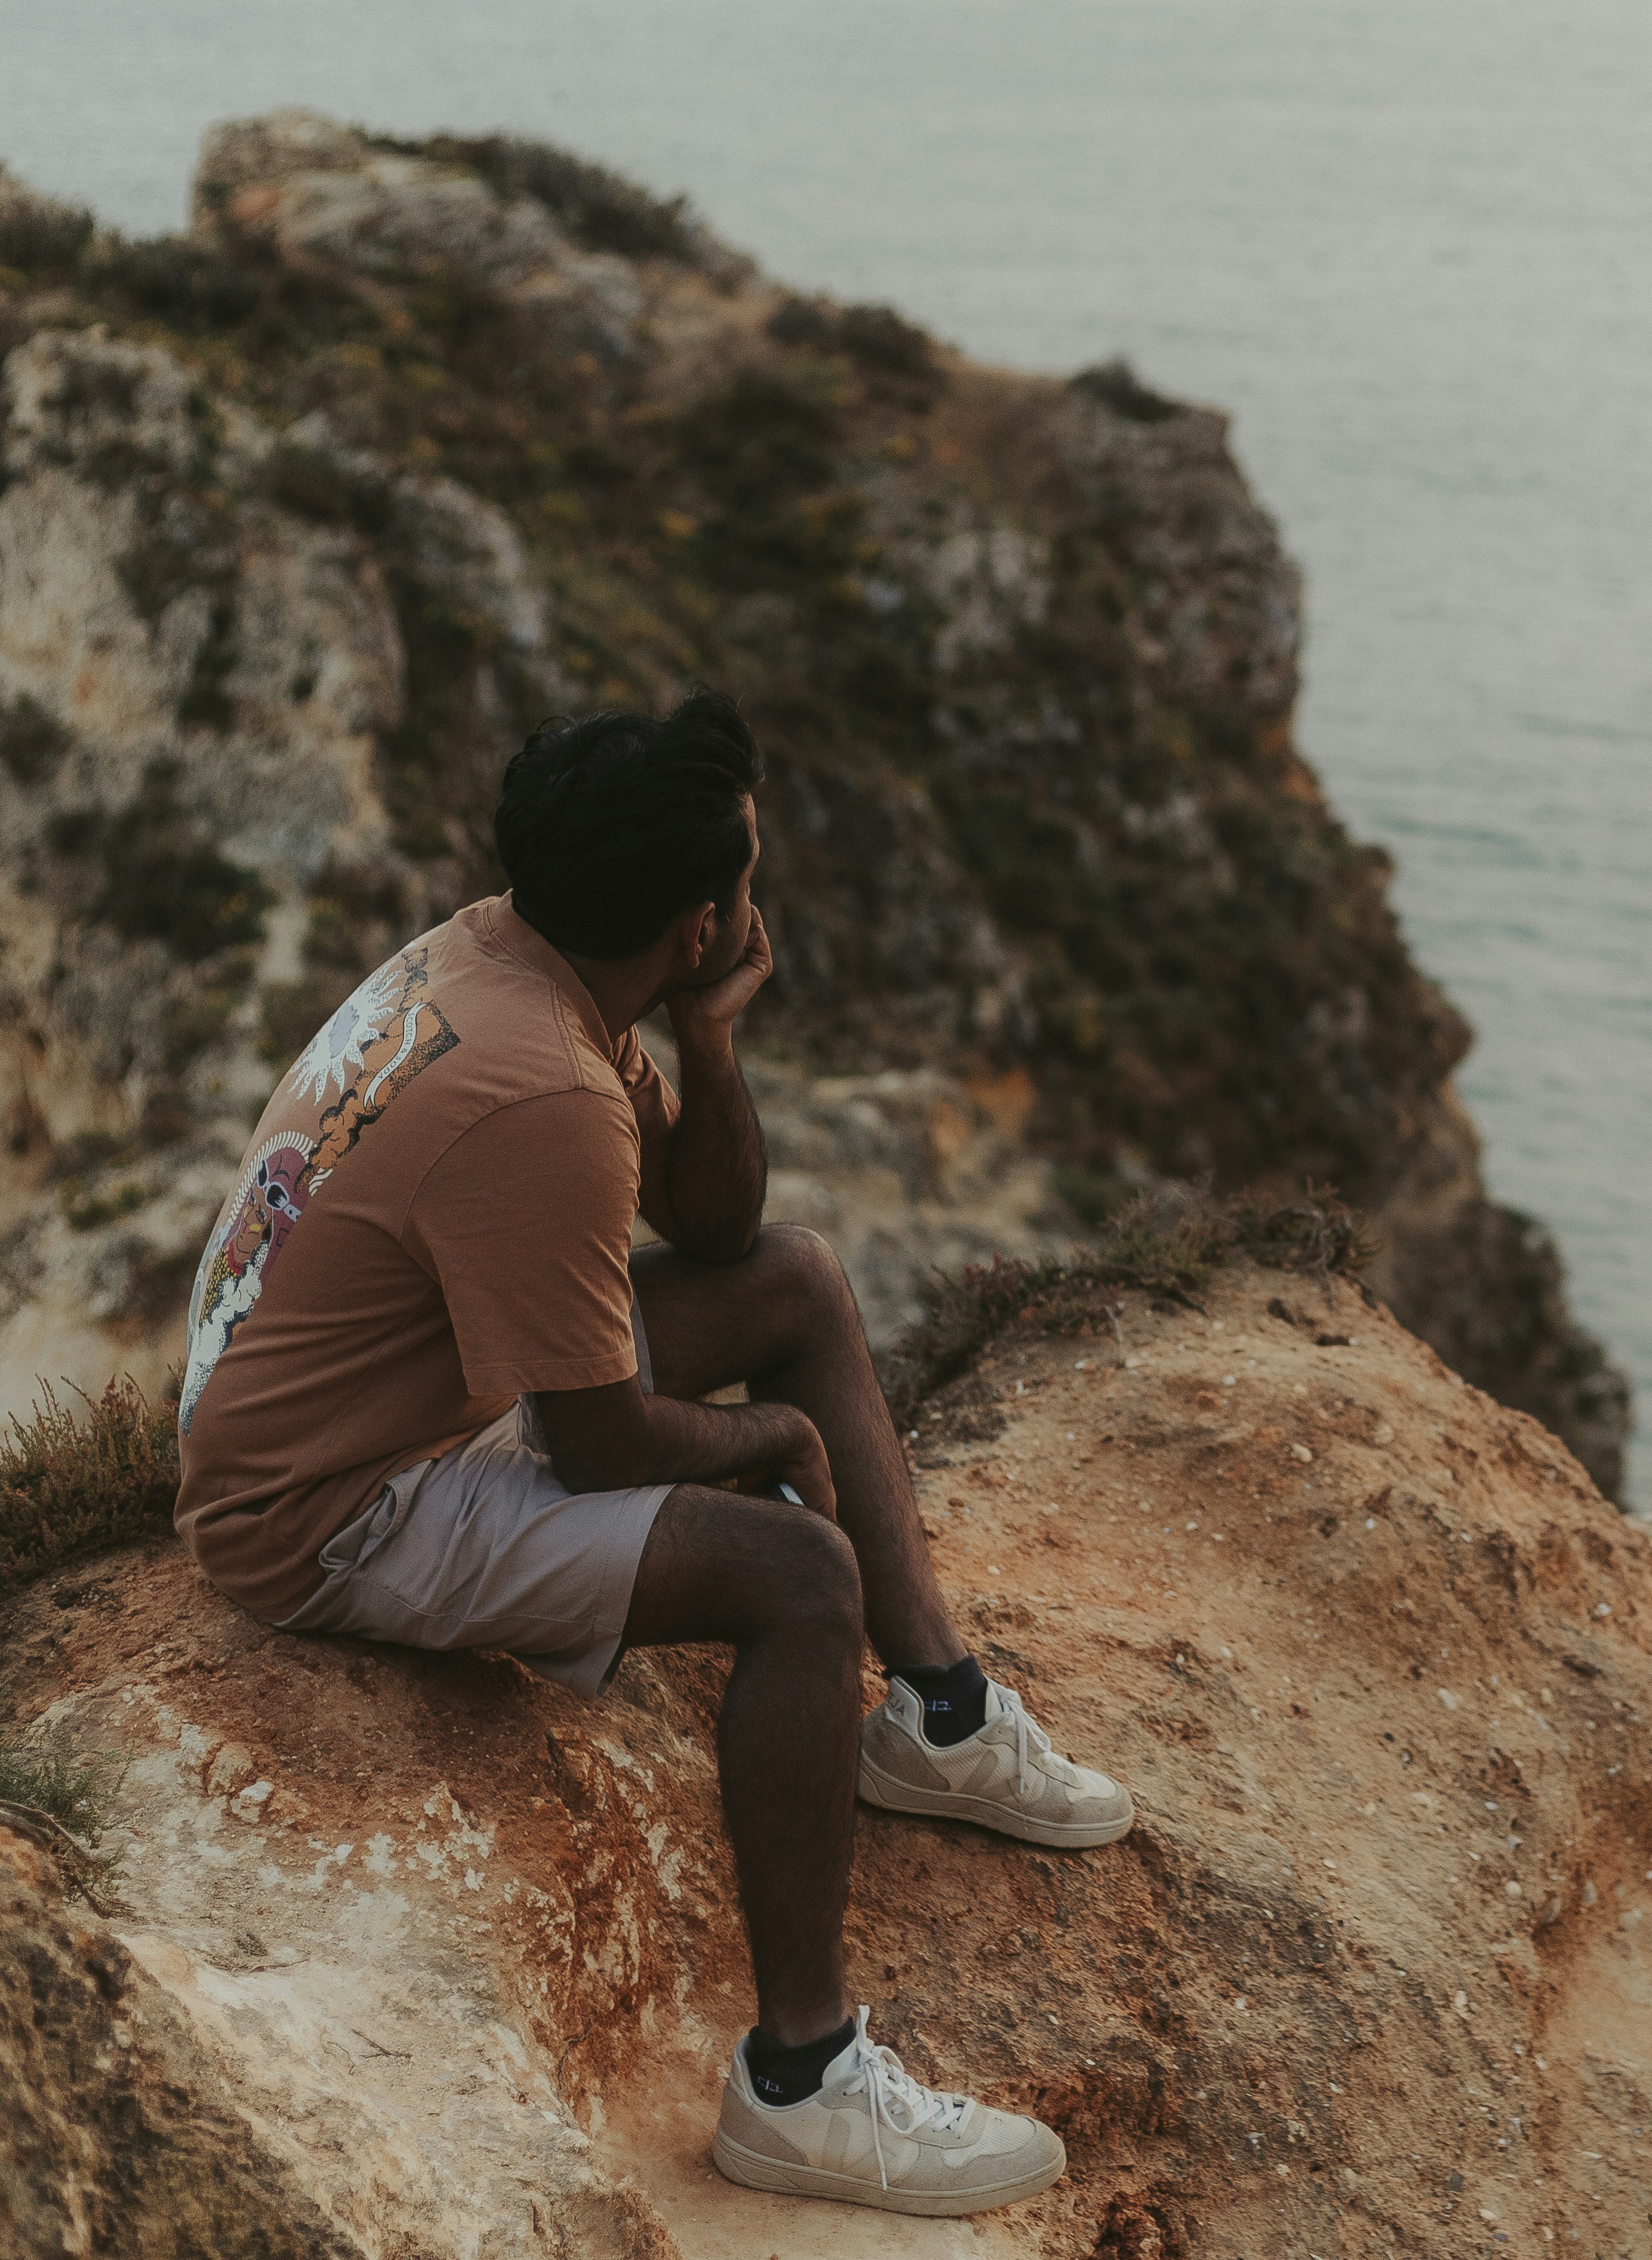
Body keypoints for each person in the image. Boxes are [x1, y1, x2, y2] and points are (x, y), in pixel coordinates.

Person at [172, 692, 1127, 2221]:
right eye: (742, 882)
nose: (757, 900)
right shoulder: (543, 1088)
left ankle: (938, 1716)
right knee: (800, 1580)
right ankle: (804, 2089)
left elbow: (722, 1232)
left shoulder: (514, 955)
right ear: (695, 916)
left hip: (373, 1395)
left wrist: (709, 1037)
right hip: (331, 1507)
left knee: (799, 1278)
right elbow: (599, 1435)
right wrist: (781, 1436)